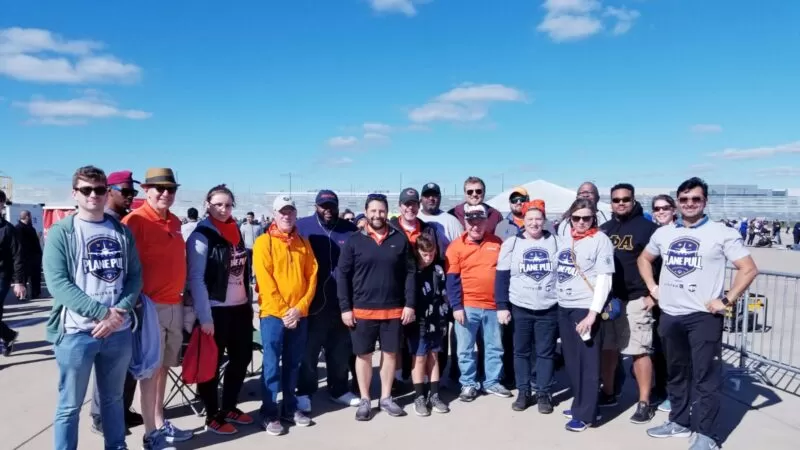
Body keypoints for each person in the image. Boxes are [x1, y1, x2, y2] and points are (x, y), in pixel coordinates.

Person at [639, 177, 758, 449]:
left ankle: (707, 434)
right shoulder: (664, 233)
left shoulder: (721, 232)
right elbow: (644, 259)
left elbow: (748, 268)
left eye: (696, 199)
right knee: (677, 373)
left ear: (705, 201)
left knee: (705, 377)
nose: (690, 204)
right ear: (677, 202)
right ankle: (679, 422)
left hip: (702, 317)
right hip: (671, 315)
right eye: (684, 199)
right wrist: (653, 287)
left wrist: (726, 299)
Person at [43, 166, 142, 450]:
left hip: (118, 332)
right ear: (74, 193)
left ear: (106, 192)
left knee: (113, 399)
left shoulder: (121, 232)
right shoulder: (63, 232)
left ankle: (116, 445)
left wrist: (118, 313)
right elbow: (58, 283)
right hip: (77, 333)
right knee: (69, 405)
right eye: (86, 190)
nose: (93, 195)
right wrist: (102, 313)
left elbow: (135, 276)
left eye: (99, 190)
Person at [122, 168, 193, 449]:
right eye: (159, 188)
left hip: (174, 303)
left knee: (164, 367)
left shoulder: (175, 221)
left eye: (171, 189)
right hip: (149, 307)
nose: (165, 193)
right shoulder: (135, 221)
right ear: (145, 190)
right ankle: (151, 433)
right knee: (149, 371)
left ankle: (160, 420)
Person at [337, 193, 416, 421]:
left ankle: (385, 398)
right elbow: (342, 275)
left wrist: (409, 303)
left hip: (393, 310)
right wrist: (345, 308)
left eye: (381, 211)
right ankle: (364, 399)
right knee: (363, 356)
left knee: (390, 354)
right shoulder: (354, 241)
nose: (377, 215)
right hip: (362, 310)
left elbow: (410, 273)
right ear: (366, 211)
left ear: (387, 212)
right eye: (373, 211)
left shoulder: (399, 239)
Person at [186, 185, 254, 435]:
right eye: (218, 204)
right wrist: (205, 317)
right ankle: (212, 414)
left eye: (227, 205)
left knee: (241, 358)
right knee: (211, 365)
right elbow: (196, 279)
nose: (223, 209)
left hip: (239, 308)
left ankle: (229, 407)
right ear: (207, 204)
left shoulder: (235, 230)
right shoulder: (201, 235)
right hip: (215, 311)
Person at [253, 195, 318, 436]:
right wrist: (285, 312)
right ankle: (269, 412)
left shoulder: (303, 243)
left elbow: (312, 276)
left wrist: (300, 308)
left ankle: (290, 408)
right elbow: (266, 281)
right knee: (271, 365)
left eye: (290, 211)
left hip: (299, 315)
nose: (286, 216)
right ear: (274, 214)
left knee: (293, 364)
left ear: (295, 214)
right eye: (282, 211)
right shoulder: (263, 243)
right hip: (273, 315)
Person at [295, 190, 361, 412]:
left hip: (342, 302)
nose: (327, 210)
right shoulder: (302, 226)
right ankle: (304, 391)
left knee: (340, 350)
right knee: (309, 351)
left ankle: (339, 389)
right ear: (316, 206)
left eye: (331, 206)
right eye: (323, 206)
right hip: (312, 303)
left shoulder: (349, 229)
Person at [599, 184, 659, 424]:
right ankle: (609, 392)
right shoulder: (605, 229)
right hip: (611, 301)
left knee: (638, 351)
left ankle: (644, 401)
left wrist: (653, 295)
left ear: (633, 200)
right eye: (616, 200)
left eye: (625, 199)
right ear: (611, 202)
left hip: (637, 298)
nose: (621, 203)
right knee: (609, 350)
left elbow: (662, 265)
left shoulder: (648, 229)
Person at [90, 169, 143, 435]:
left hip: (127, 306)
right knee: (107, 366)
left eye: (133, 192)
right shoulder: (102, 223)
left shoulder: (122, 224)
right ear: (109, 190)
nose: (131, 197)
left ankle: (121, 410)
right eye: (126, 192)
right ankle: (101, 417)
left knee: (127, 362)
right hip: (105, 309)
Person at [556, 198, 615, 432]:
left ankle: (587, 413)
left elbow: (604, 279)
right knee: (572, 360)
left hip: (584, 307)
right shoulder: (566, 238)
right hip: (564, 306)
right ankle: (581, 403)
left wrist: (593, 313)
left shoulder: (600, 240)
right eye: (577, 217)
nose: (581, 222)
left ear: (594, 218)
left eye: (586, 218)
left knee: (588, 362)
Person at [495, 201, 559, 414]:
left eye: (538, 219)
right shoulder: (512, 243)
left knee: (545, 353)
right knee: (521, 352)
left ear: (544, 221)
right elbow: (502, 276)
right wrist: (502, 306)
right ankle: (524, 391)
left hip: (548, 307)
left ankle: (543, 392)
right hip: (520, 307)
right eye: (530, 219)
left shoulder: (556, 242)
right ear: (523, 220)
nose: (534, 223)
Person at [446, 204, 511, 402]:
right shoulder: (456, 246)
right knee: (465, 348)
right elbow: (452, 279)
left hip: (493, 306)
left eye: (479, 222)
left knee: (494, 346)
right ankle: (468, 383)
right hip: (467, 306)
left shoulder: (497, 243)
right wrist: (456, 306)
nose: (475, 226)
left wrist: (503, 305)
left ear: (485, 222)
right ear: (466, 223)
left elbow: (505, 275)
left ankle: (491, 381)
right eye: (471, 222)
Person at [406, 233, 451, 416]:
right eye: (425, 254)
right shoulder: (412, 272)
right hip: (418, 320)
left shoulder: (438, 270)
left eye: (431, 254)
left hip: (436, 319)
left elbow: (443, 294)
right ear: (417, 252)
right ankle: (419, 396)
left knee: (434, 355)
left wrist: (445, 314)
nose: (428, 257)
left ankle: (434, 394)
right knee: (419, 357)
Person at [649, 194, 676, 413]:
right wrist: (651, 289)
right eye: (657, 209)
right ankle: (661, 389)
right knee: (658, 347)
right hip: (658, 299)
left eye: (665, 207)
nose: (661, 211)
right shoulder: (655, 233)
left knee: (674, 351)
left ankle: (674, 394)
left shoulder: (679, 231)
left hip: (678, 301)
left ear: (674, 209)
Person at [0, 190, 25, 356]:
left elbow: (18, 256)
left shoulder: (8, 229)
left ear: (2, 204)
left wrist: (19, 282)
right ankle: (8, 335)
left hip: (2, 276)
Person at [15, 210, 42, 301]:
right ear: (27, 217)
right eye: (30, 216)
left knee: (34, 276)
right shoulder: (19, 228)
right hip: (25, 257)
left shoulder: (30, 228)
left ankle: (35, 293)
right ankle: (21, 295)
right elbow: (20, 244)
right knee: (24, 277)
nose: (31, 218)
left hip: (33, 257)